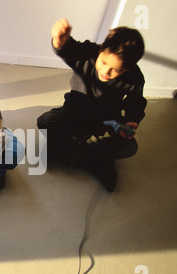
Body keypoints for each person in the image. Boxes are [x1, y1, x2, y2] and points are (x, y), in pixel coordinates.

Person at [37, 18, 147, 191]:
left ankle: (75, 155)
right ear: (102, 49)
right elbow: (69, 49)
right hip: (73, 113)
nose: (106, 71)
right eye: (103, 63)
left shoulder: (135, 78)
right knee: (45, 121)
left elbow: (136, 103)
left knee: (130, 147)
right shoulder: (86, 54)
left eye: (116, 70)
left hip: (106, 122)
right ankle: (92, 160)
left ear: (127, 69)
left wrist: (132, 121)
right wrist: (60, 41)